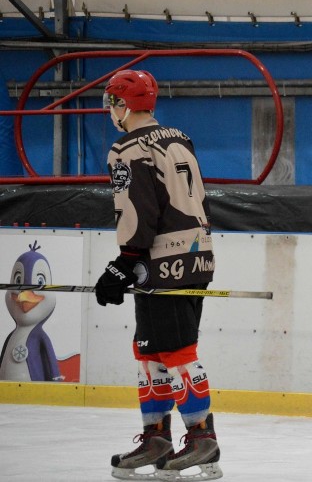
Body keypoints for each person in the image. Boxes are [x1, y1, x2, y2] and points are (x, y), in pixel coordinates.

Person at [95, 70, 222, 481]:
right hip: (195, 253)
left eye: (111, 101)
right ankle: (157, 438)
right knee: (149, 349)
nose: (109, 110)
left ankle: (203, 437)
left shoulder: (126, 149)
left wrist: (124, 260)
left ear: (122, 105)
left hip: (161, 256)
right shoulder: (180, 137)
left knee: (176, 350)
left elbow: (138, 208)